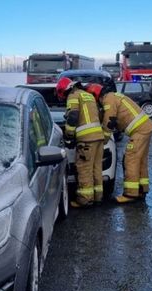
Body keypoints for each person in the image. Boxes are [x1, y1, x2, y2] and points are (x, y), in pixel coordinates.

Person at [86, 84, 152, 204]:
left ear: (96, 96)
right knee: (140, 160)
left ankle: (130, 194)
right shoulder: (113, 96)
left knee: (131, 159)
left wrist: (104, 140)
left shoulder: (108, 99)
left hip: (139, 130)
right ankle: (142, 189)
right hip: (144, 127)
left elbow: (110, 120)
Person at [56, 77, 105, 208]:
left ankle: (85, 199)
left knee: (84, 168)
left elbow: (72, 116)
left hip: (86, 139)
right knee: (96, 168)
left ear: (64, 90)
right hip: (98, 136)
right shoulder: (88, 95)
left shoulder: (73, 95)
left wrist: (69, 135)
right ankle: (98, 197)